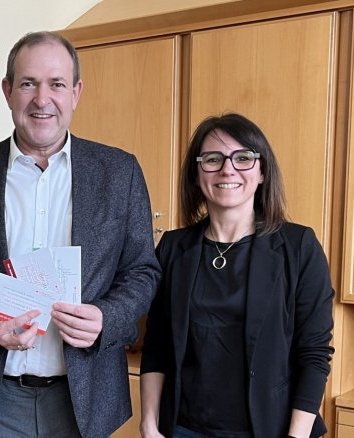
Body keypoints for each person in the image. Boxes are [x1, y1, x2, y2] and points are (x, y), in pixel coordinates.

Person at [0, 31, 161, 437]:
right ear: (8, 91)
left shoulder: (119, 172)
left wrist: (106, 318)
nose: (42, 100)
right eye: (28, 83)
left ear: (76, 92)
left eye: (57, 84)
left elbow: (143, 271)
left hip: (85, 400)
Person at [139, 113, 334, 438]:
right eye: (213, 159)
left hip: (272, 430)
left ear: (261, 172)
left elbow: (314, 353)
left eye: (243, 158)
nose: (227, 169)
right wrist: (149, 423)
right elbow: (156, 344)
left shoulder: (299, 247)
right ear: (196, 174)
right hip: (184, 428)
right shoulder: (173, 248)